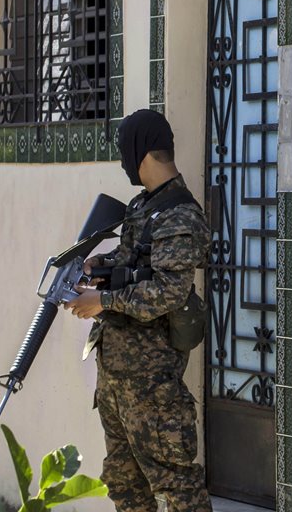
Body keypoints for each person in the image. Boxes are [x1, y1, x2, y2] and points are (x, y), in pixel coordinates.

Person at [65, 109, 212, 512]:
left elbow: (167, 291)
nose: (122, 162)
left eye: (124, 152)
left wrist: (103, 301)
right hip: (116, 376)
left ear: (141, 152)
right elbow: (134, 260)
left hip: (152, 382)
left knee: (175, 486)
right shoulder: (143, 206)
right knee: (125, 484)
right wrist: (101, 266)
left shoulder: (181, 214)